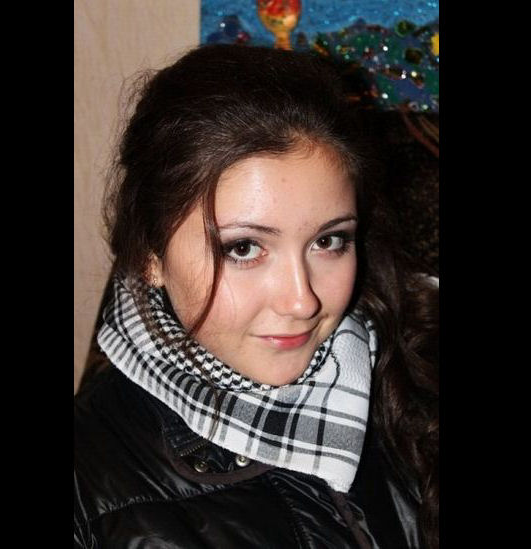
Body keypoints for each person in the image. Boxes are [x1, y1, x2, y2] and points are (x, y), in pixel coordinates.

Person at [74, 44, 439, 549]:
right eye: (243, 248)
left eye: (329, 241)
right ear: (150, 256)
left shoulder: (414, 373)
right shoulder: (87, 491)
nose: (302, 302)